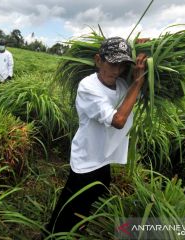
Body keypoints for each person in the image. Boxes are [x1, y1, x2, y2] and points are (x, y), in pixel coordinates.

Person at [46, 37, 148, 234]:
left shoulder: (121, 84)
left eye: (122, 65)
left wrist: (143, 49)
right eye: (112, 63)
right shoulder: (88, 87)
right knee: (71, 206)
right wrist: (137, 83)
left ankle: (78, 230)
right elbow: (118, 121)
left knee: (93, 196)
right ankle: (54, 234)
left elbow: (139, 90)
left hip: (104, 156)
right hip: (87, 158)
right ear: (98, 60)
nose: (117, 70)